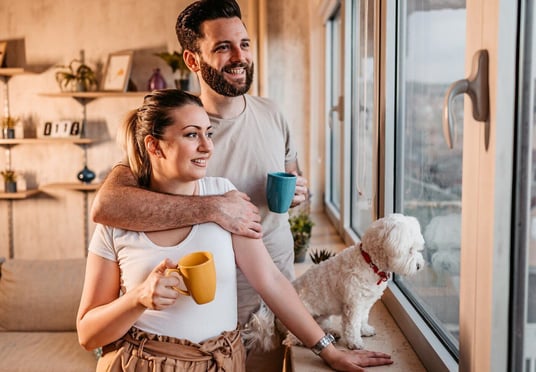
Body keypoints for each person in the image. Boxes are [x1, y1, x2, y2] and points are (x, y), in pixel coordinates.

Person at [77, 89, 393, 372]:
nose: (207, 147)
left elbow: (270, 281)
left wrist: (329, 351)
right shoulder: (118, 221)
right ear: (154, 147)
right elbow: (88, 334)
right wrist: (138, 299)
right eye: (191, 135)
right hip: (142, 362)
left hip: (223, 362)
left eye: (208, 133)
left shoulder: (226, 198)